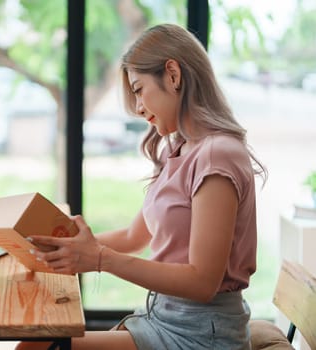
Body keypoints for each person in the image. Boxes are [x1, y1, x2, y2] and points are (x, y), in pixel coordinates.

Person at [16, 23, 267, 350]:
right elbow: (134, 237)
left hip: (201, 336)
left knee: (39, 347)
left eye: (138, 89)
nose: (137, 107)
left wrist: (99, 259)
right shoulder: (179, 149)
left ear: (173, 75)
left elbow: (204, 282)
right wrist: (63, 248)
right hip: (162, 318)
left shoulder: (217, 155)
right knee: (35, 343)